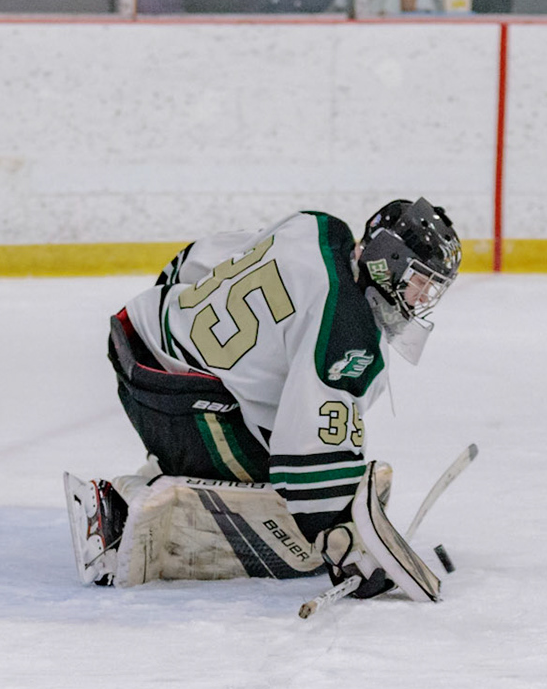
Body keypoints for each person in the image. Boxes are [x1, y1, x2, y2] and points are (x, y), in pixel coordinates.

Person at [63, 199, 464, 602]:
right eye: (419, 280)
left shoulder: (318, 228)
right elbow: (308, 457)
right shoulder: (349, 328)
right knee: (281, 507)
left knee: (268, 433)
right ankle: (118, 516)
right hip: (178, 395)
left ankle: (169, 465)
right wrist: (346, 543)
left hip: (141, 337)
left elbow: (194, 261)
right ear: (387, 260)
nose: (421, 297)